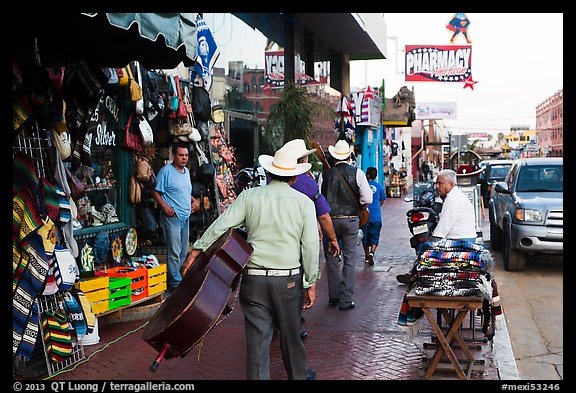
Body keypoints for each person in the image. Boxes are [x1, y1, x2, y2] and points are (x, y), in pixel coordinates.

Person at [180, 148, 320, 380]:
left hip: (254, 280)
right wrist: (310, 282)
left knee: (257, 344)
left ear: (268, 172)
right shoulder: (304, 203)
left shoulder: (250, 196)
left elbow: (222, 225)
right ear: (294, 177)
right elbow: (310, 247)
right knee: (291, 337)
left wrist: (197, 249)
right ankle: (298, 376)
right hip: (288, 281)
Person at [281, 139, 341, 340]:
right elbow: (323, 216)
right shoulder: (307, 182)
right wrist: (332, 238)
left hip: (276, 239)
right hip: (298, 239)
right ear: (303, 159)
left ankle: (277, 324)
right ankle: (293, 326)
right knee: (296, 282)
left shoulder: (274, 179)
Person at [317, 140, 372, 310]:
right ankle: (346, 299)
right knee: (350, 259)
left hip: (330, 221)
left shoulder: (324, 175)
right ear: (349, 155)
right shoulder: (358, 173)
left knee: (331, 258)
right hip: (350, 220)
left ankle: (333, 296)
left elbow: (318, 198)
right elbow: (367, 199)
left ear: (334, 156)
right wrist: (359, 205)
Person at [396, 169, 476, 284]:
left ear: (451, 184)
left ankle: (416, 275)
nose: (437, 187)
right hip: (458, 239)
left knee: (426, 250)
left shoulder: (453, 200)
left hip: (460, 241)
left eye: (440, 183)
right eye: (436, 183)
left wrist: (429, 243)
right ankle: (415, 273)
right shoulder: (452, 197)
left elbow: (441, 231)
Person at [151, 143, 199, 293]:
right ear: (174, 156)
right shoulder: (166, 171)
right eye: (181, 155)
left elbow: (183, 190)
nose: (184, 158)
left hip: (185, 216)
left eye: (186, 155)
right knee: (174, 251)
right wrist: (165, 207)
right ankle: (175, 283)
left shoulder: (185, 172)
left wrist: (193, 200)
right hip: (173, 216)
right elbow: (155, 191)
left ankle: (175, 278)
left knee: (183, 250)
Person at [362, 167, 386, 266]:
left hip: (365, 216)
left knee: (365, 237)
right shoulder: (380, 187)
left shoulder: (363, 186)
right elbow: (382, 200)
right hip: (376, 216)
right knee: (375, 235)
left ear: (367, 175)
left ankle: (367, 256)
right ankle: (372, 252)